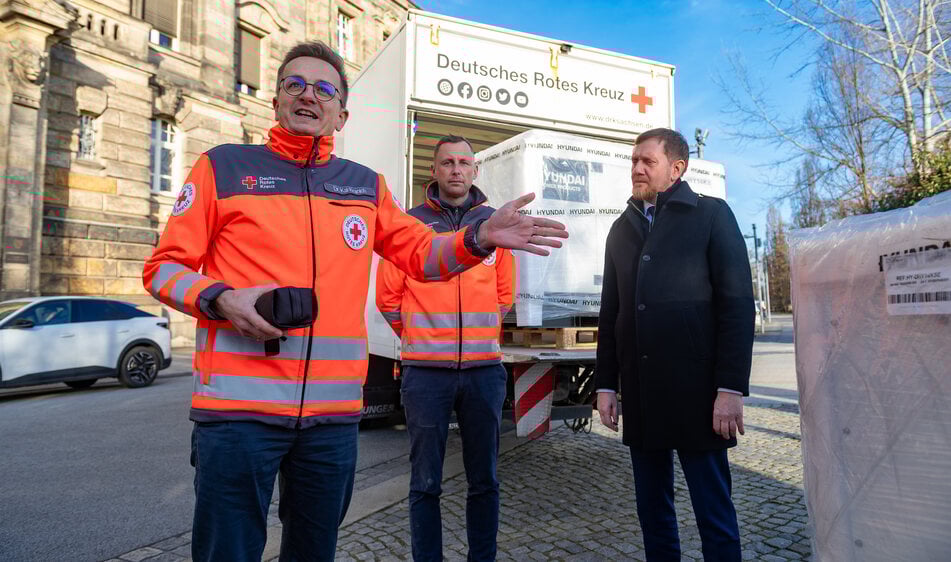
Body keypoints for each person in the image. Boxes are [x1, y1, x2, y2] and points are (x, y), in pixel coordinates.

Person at [142, 41, 567, 562]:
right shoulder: (222, 168)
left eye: (324, 89)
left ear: (340, 114)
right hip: (236, 417)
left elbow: (421, 254)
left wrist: (478, 239)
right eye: (294, 84)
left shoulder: (364, 186)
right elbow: (162, 269)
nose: (308, 96)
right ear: (276, 100)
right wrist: (220, 298)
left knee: (314, 552)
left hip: (330, 421)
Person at [594, 127, 753, 561]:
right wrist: (606, 384)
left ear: (677, 168)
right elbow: (612, 314)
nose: (637, 169)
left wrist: (730, 388)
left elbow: (737, 305)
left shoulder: (711, 215)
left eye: (648, 161)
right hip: (642, 395)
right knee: (653, 512)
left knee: (713, 512)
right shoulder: (620, 230)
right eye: (633, 161)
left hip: (699, 395)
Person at [376, 135, 515, 561]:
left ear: (475, 171)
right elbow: (388, 298)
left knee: (485, 480)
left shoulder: (493, 224)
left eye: (464, 163)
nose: (456, 170)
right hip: (425, 374)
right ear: (433, 171)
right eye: (447, 163)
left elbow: (505, 294)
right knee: (425, 484)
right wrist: (422, 336)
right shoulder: (408, 225)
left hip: (483, 372)